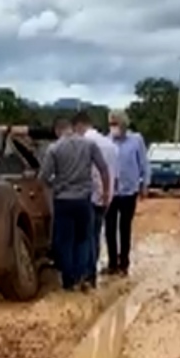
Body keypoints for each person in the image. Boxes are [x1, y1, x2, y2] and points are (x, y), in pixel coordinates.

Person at [39, 117, 110, 292]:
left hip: (63, 201)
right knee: (83, 239)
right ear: (71, 128)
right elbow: (103, 168)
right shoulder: (88, 145)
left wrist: (55, 186)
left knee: (64, 241)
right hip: (83, 200)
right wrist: (106, 191)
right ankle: (83, 276)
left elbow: (43, 177)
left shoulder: (54, 148)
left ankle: (68, 280)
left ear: (57, 131)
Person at [72, 111, 118, 288]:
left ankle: (86, 274)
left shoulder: (85, 143)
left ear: (79, 126)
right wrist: (107, 193)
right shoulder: (111, 145)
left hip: (89, 195)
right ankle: (92, 274)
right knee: (96, 235)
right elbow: (115, 173)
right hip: (107, 196)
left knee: (85, 237)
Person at [104, 109, 148, 276]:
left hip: (129, 191)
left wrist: (145, 184)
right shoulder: (106, 141)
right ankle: (112, 263)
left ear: (123, 124)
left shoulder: (136, 140)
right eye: (111, 124)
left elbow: (144, 163)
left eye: (116, 123)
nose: (113, 127)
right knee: (109, 229)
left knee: (124, 228)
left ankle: (124, 264)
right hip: (111, 192)